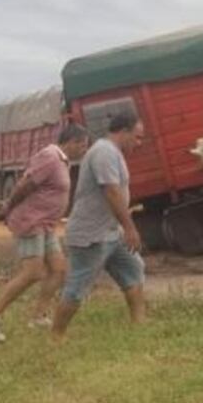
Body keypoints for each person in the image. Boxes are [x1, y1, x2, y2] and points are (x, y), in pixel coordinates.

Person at [0, 124, 90, 342]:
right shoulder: (49, 156)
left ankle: (38, 316)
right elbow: (25, 185)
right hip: (31, 222)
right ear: (71, 142)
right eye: (82, 145)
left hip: (46, 225)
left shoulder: (62, 161)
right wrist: (8, 207)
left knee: (59, 270)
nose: (84, 150)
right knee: (33, 272)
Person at [52, 114, 146, 339]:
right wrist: (130, 227)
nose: (139, 143)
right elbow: (112, 192)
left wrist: (122, 227)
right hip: (91, 235)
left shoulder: (114, 153)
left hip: (111, 233)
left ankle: (139, 325)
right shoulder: (104, 152)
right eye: (137, 137)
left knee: (133, 268)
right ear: (123, 131)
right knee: (78, 287)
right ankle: (56, 336)